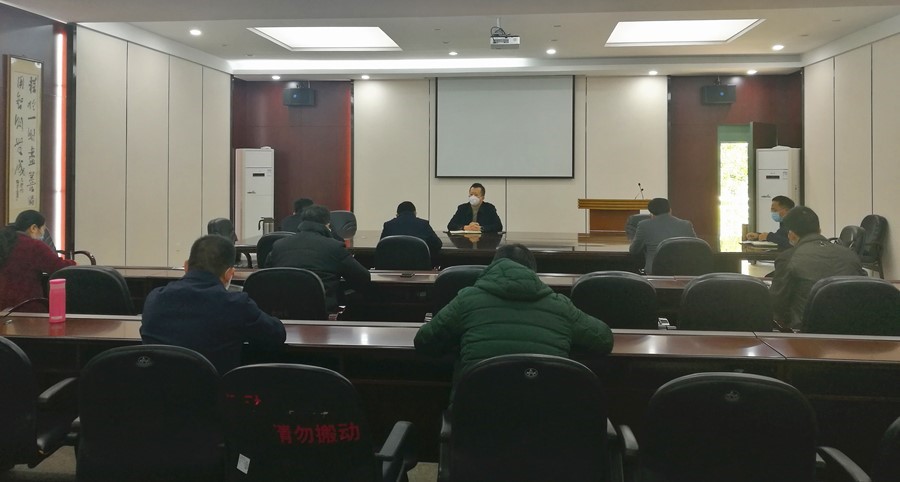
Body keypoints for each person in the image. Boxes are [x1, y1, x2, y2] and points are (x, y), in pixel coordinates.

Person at [414, 244, 613, 390]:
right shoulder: (561, 305)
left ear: (492, 266)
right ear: (533, 272)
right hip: (547, 420)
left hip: (477, 419)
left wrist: (459, 343)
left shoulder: (467, 300)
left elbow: (424, 341)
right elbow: (604, 340)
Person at [140, 235, 286, 374]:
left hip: (158, 389)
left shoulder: (155, 299)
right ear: (229, 274)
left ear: (186, 266)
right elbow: (276, 335)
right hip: (212, 390)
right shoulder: (235, 304)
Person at [769, 206, 867, 331]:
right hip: (851, 329)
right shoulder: (850, 255)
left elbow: (777, 303)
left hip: (806, 332)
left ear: (791, 235)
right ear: (819, 230)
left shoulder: (788, 258)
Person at [266, 204, 370, 311]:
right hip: (320, 309)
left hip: (283, 309)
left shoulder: (279, 245)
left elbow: (267, 274)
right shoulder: (334, 247)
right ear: (328, 225)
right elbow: (363, 278)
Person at [0, 210, 76, 312]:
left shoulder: (5, 241)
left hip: (3, 305)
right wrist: (74, 263)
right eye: (43, 229)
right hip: (27, 305)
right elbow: (57, 266)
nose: (43, 234)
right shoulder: (34, 246)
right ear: (34, 228)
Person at [628, 197, 697, 274]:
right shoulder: (686, 225)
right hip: (682, 271)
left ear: (651, 212)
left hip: (655, 271)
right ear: (670, 210)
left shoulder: (644, 225)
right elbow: (696, 247)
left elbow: (634, 250)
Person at [380, 201, 442, 267]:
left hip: (392, 267)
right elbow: (437, 244)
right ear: (414, 213)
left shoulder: (388, 225)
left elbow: (381, 246)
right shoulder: (423, 224)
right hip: (419, 267)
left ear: (397, 214)